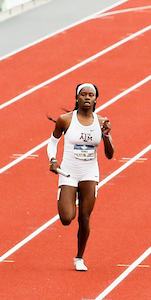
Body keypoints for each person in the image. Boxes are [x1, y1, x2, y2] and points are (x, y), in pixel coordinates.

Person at [47, 83, 114, 272]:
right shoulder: (65, 120)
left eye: (90, 95)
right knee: (67, 218)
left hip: (89, 173)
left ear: (95, 99)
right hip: (68, 171)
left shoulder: (101, 122)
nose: (87, 98)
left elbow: (110, 154)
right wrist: (53, 160)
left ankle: (79, 257)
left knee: (85, 217)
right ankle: (67, 196)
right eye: (83, 94)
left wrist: (107, 136)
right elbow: (52, 142)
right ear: (77, 98)